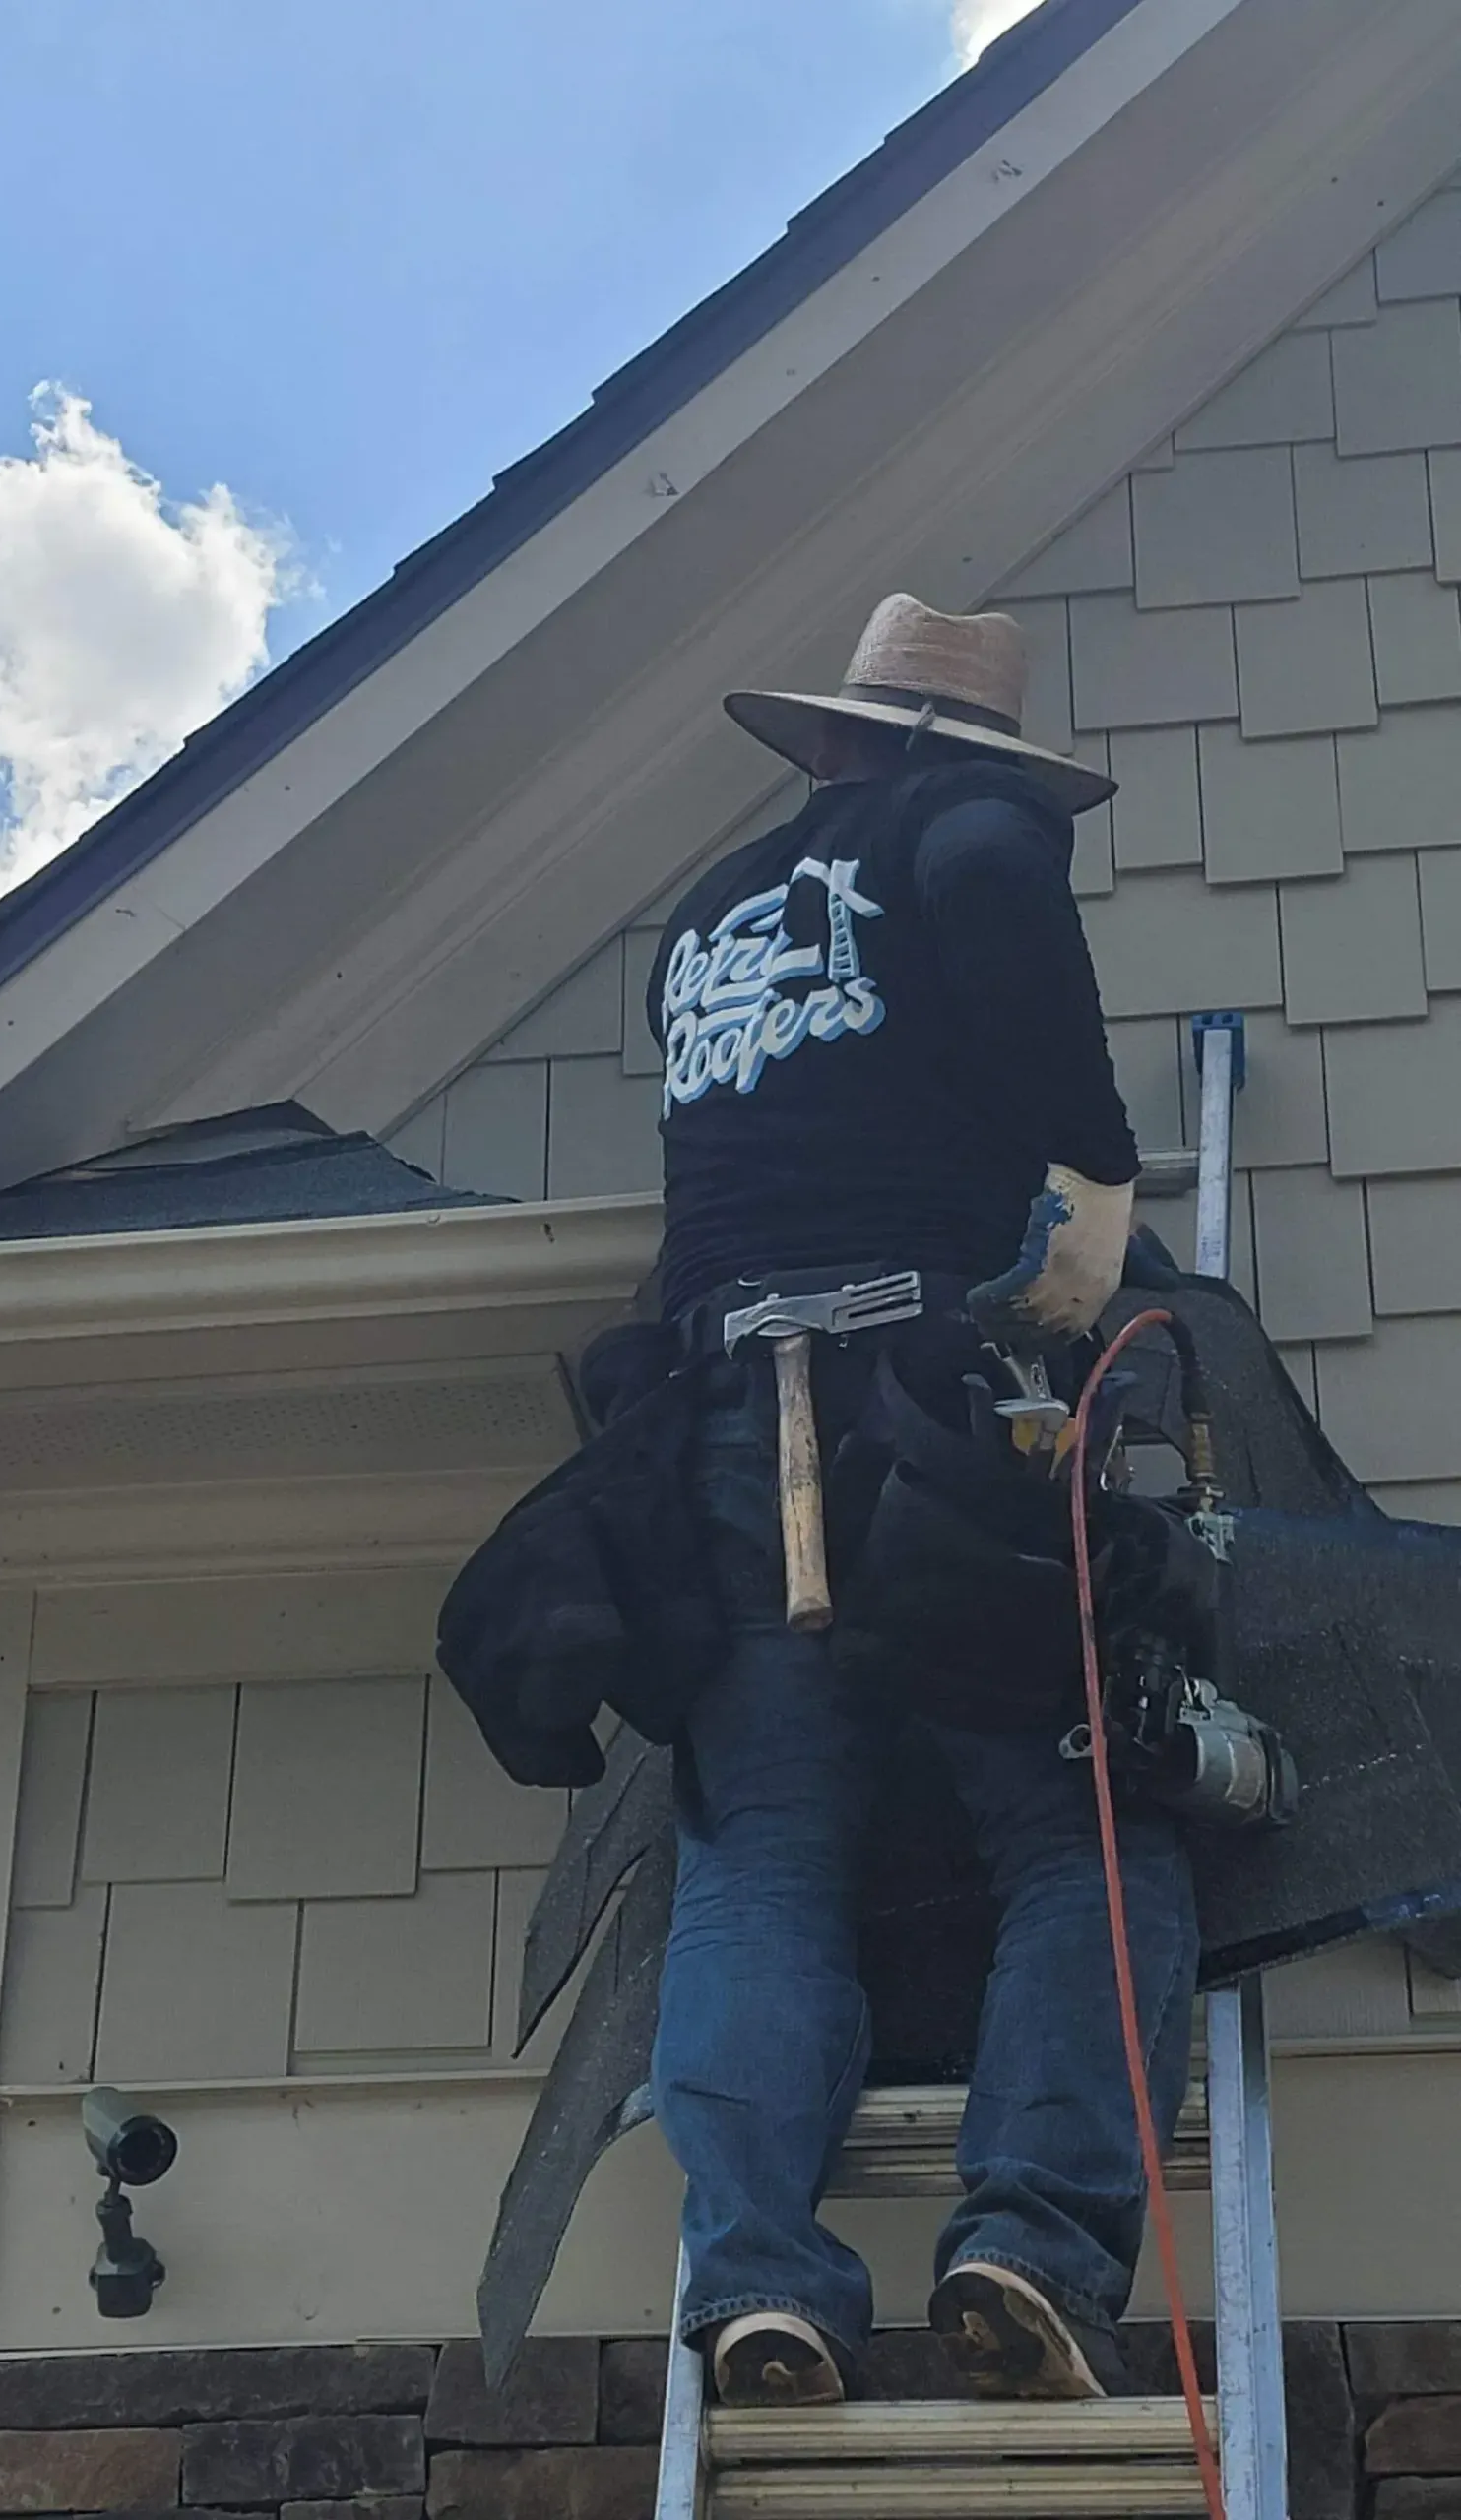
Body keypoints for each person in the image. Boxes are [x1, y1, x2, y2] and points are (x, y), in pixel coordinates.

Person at [646, 595, 1198, 2409]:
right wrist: (1098, 1194)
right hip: (940, 1414)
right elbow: (983, 883)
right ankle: (1031, 2243)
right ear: (967, 760)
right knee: (1084, 1830)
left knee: (763, 1864)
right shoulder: (967, 833)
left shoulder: (700, 918)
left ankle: (758, 2281)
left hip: (738, 1418)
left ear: (835, 739)